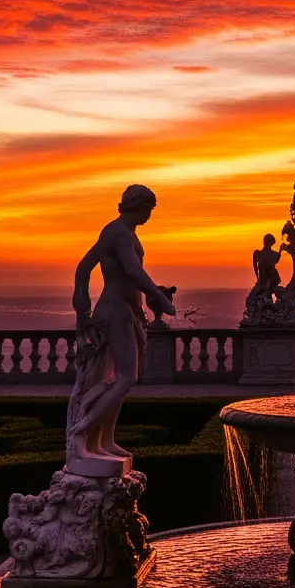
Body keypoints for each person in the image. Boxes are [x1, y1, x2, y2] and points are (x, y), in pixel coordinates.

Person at [67, 185, 176, 467]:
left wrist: (81, 298)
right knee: (127, 377)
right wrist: (159, 297)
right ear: (139, 207)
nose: (150, 214)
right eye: (149, 209)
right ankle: (83, 430)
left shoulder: (116, 231)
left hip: (123, 310)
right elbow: (132, 270)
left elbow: (83, 268)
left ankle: (104, 441)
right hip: (116, 311)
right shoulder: (119, 233)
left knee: (116, 377)